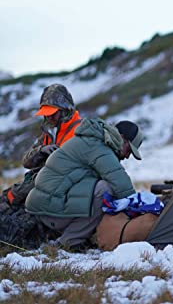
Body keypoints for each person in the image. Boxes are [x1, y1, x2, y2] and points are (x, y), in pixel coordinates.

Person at [25, 118, 144, 250]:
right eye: (129, 150)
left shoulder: (94, 141)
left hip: (46, 205)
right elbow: (121, 183)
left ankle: (75, 235)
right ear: (122, 138)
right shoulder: (98, 146)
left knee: (103, 189)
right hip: (49, 210)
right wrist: (141, 208)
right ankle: (69, 241)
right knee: (106, 189)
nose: (127, 156)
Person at [4, 83, 81, 207]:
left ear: (66, 109)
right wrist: (41, 150)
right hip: (39, 186)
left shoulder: (80, 131)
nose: (49, 117)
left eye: (53, 113)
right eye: (46, 113)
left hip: (58, 192)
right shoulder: (50, 133)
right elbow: (26, 162)